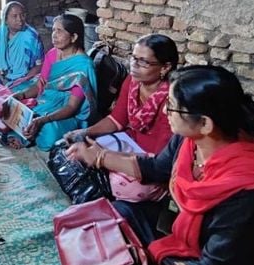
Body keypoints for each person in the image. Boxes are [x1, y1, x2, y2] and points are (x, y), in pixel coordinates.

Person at [67, 65, 254, 265]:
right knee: (117, 211)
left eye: (171, 106)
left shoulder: (246, 193)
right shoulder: (189, 141)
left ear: (204, 123)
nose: (164, 111)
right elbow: (156, 168)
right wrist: (98, 156)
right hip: (185, 240)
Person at [63, 34, 178, 201]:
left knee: (124, 185)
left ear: (165, 67)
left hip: (151, 160)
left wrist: (103, 157)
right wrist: (84, 132)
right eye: (133, 58)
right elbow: (116, 120)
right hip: (129, 142)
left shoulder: (172, 101)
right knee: (70, 148)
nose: (134, 66)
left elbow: (159, 160)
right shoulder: (132, 81)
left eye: (143, 62)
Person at [10, 14, 97, 151]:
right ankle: (28, 126)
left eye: (60, 31)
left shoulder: (84, 66)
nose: (54, 35)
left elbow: (72, 107)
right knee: (10, 102)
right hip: (46, 101)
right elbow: (40, 85)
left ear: (74, 37)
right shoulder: (52, 54)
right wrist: (21, 96)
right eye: (53, 30)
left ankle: (29, 129)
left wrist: (42, 120)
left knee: (49, 133)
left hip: (67, 111)